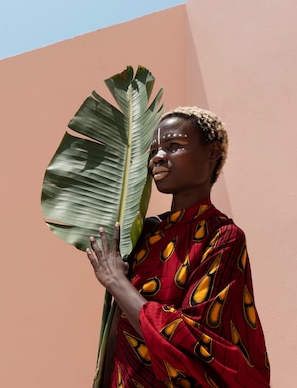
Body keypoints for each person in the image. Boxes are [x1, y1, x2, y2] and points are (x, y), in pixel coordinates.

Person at [86, 107, 270, 387]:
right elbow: (118, 331)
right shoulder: (144, 233)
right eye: (154, 150)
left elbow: (192, 344)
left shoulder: (223, 237)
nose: (158, 157)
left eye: (173, 146)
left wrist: (116, 282)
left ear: (212, 152)